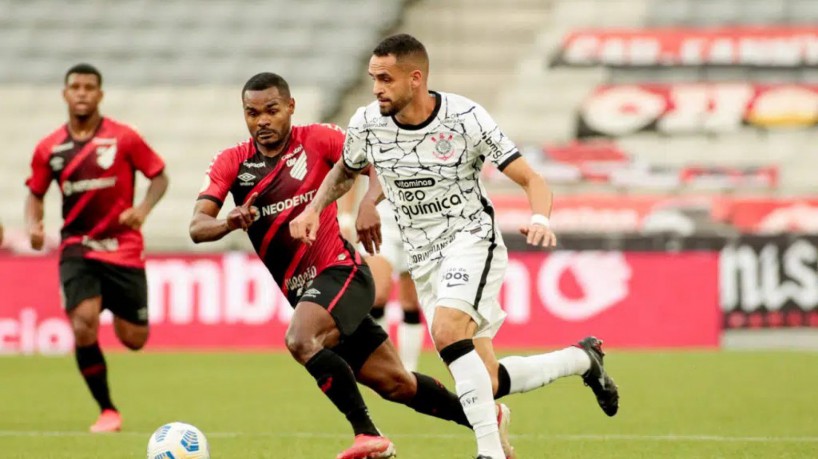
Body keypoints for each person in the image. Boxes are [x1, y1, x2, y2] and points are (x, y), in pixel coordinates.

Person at [291, 34, 620, 459]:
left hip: (470, 241)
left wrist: (539, 217)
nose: (376, 88)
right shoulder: (367, 122)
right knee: (487, 379)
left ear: (416, 79)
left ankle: (489, 452)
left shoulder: (465, 117)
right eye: (373, 78)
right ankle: (582, 359)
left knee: (447, 332)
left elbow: (531, 179)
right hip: (423, 256)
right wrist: (316, 207)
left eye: (385, 79)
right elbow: (345, 170)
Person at [189, 72, 514, 459]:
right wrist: (228, 220)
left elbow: (381, 164)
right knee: (398, 384)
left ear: (290, 107)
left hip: (342, 272)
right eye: (252, 113)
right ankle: (486, 418)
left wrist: (367, 202)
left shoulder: (319, 138)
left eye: (272, 110)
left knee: (299, 340)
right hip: (309, 294)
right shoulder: (233, 162)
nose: (262, 121)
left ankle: (367, 435)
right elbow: (197, 226)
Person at [24, 63, 169, 433]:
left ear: (100, 94)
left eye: (90, 86)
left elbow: (159, 176)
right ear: (65, 94)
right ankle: (107, 410)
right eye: (76, 86)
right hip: (78, 248)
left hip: (123, 248)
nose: (83, 92)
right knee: (83, 325)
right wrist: (33, 224)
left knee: (134, 339)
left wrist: (143, 209)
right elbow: (35, 194)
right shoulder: (49, 148)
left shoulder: (124, 138)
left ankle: (109, 302)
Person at [339, 185, 424, 373]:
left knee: (411, 302)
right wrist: (346, 217)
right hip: (381, 224)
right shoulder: (375, 153)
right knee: (377, 295)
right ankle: (385, 366)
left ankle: (409, 372)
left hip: (420, 227)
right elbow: (352, 170)